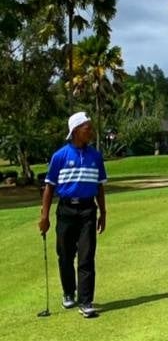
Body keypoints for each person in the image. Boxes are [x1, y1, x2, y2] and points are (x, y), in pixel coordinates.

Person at [38, 112, 108, 319]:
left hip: (87, 210)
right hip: (66, 210)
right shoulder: (59, 156)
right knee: (66, 255)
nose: (91, 131)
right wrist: (45, 216)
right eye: (88, 128)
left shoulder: (95, 156)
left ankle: (86, 302)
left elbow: (100, 187)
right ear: (76, 131)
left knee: (87, 257)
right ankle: (69, 291)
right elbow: (49, 189)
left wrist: (103, 212)